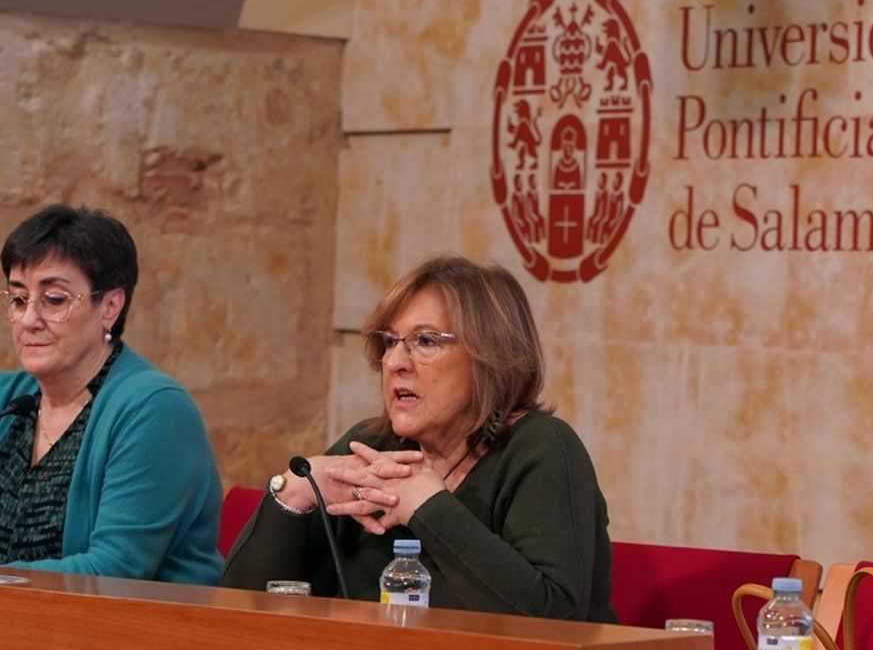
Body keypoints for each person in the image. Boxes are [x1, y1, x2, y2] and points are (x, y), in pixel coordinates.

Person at [222, 254, 615, 621]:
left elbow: (555, 617)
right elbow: (236, 614)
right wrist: (296, 491)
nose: (394, 362)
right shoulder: (370, 447)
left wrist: (428, 507)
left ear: (490, 357)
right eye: (390, 342)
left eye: (425, 341)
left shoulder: (541, 449)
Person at [0, 204, 222, 583]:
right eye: (18, 299)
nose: (28, 320)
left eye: (54, 299)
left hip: (130, 620)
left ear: (109, 306)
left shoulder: (154, 409)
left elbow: (112, 570)